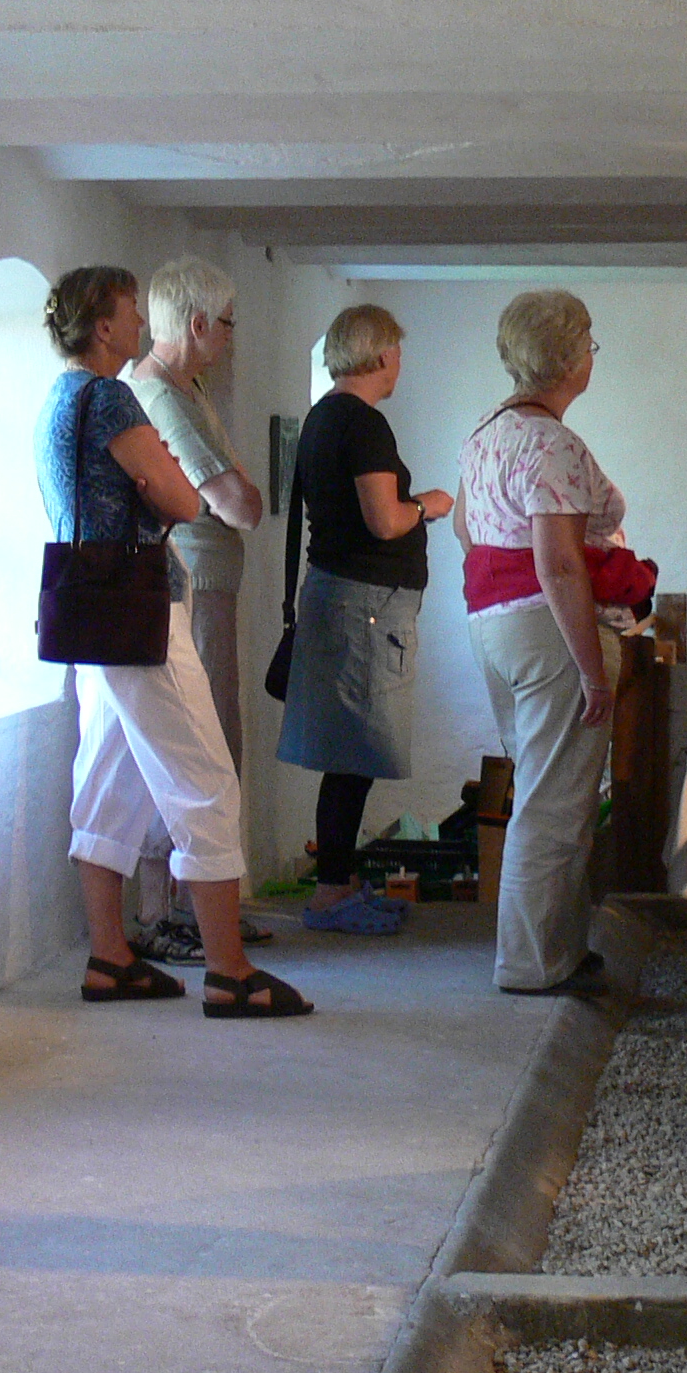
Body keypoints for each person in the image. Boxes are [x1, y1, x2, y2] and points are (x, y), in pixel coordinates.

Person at [35, 264, 308, 1019]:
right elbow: (185, 500)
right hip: (138, 614)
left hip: (90, 614)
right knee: (206, 778)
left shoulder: (58, 397)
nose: (139, 323)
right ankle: (229, 970)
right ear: (103, 328)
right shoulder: (111, 398)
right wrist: (165, 482)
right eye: (130, 311)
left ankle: (110, 957)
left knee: (108, 781)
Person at [456, 289, 630, 997]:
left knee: (542, 791)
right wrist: (592, 671)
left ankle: (555, 950)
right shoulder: (554, 444)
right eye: (590, 343)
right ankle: (532, 964)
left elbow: (465, 529)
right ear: (570, 358)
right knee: (556, 805)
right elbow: (559, 564)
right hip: (547, 629)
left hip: (492, 624)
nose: (593, 356)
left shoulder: (486, 431)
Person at [278, 303, 453, 936]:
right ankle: (332, 891)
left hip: (342, 600)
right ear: (380, 354)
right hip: (366, 610)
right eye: (397, 350)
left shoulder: (322, 417)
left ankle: (341, 882)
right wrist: (428, 504)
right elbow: (385, 520)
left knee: (347, 752)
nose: (400, 361)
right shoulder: (363, 422)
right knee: (353, 753)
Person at [122, 257, 266, 961]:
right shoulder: (163, 397)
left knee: (210, 741)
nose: (232, 337)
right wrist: (240, 488)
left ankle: (194, 909)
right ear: (200, 322)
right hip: (191, 582)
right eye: (228, 323)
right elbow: (239, 505)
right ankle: (172, 913)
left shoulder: (188, 388)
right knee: (196, 746)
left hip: (203, 581)